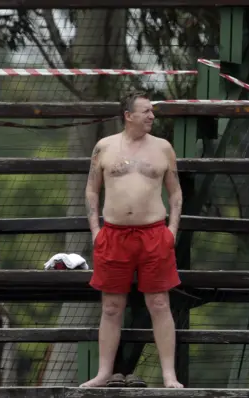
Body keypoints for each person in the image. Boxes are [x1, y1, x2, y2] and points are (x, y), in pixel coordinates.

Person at [81, 91, 183, 389]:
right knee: (112, 307)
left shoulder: (163, 148)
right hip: (113, 235)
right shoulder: (104, 147)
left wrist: (172, 230)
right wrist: (95, 230)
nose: (152, 116)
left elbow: (175, 192)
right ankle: (103, 373)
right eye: (146, 111)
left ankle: (169, 376)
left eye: (152, 111)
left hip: (154, 234)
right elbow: (91, 190)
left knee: (160, 303)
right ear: (129, 115)